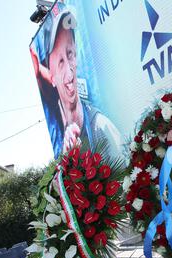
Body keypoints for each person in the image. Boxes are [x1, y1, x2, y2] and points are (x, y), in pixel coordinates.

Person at [30, 2, 123, 162]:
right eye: (60, 61)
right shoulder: (60, 142)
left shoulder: (101, 127)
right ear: (50, 75)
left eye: (70, 54)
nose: (69, 71)